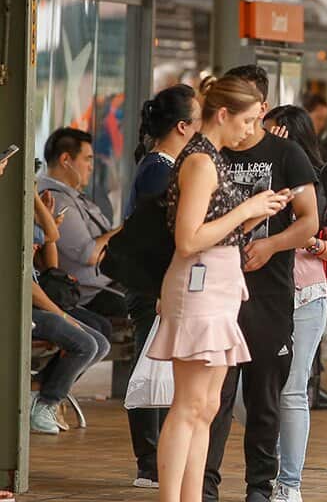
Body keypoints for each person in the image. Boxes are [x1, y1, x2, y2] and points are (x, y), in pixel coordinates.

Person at [151, 76, 292, 502]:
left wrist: (253, 214)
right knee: (191, 405)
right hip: (200, 286)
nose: (251, 130)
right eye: (247, 120)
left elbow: (211, 231)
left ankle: (190, 495)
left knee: (206, 405)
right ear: (224, 114)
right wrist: (247, 210)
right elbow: (188, 237)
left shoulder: (210, 156)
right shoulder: (200, 161)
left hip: (216, 284)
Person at [204, 65, 320, 502]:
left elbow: (309, 221)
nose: (247, 125)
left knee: (264, 396)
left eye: (253, 115)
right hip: (215, 289)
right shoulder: (211, 154)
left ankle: (259, 486)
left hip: (269, 292)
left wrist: (271, 246)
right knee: (214, 394)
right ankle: (205, 485)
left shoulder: (287, 155)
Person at [125, 85, 201, 487]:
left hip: (159, 283)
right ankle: (149, 462)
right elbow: (157, 234)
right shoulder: (159, 168)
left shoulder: (164, 164)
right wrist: (159, 290)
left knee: (157, 363)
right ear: (184, 126)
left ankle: (157, 460)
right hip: (152, 286)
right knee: (148, 365)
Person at [263, 105, 327, 502]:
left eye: (272, 132)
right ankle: (275, 458)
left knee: (291, 389)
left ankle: (289, 484)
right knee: (246, 390)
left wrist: (315, 243)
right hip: (261, 290)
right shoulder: (256, 172)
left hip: (305, 291)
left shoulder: (314, 183)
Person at [21, 155, 111, 437]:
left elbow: (51, 242)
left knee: (99, 342)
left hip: (39, 298)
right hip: (26, 305)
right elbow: (25, 285)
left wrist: (40, 210)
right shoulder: (12, 216)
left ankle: (42, 393)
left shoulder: (28, 212)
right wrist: (61, 315)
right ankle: (46, 402)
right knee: (85, 343)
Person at [38, 127, 122, 318]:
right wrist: (124, 229)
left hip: (107, 283)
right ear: (66, 160)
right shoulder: (55, 200)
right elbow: (90, 254)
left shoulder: (72, 196)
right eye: (87, 159)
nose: (91, 167)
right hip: (88, 294)